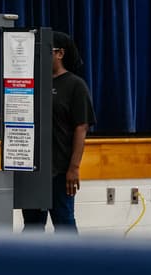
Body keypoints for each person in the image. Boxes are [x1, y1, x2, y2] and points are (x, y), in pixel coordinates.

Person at [21, 31, 96, 233]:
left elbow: (82, 127)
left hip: (60, 170)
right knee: (32, 225)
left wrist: (74, 168)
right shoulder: (31, 82)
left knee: (64, 222)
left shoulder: (75, 85)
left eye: (44, 51)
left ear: (60, 53)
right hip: (32, 168)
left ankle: (73, 264)